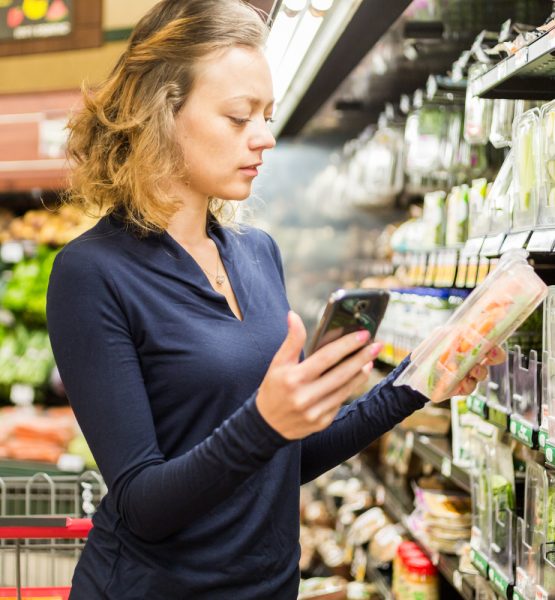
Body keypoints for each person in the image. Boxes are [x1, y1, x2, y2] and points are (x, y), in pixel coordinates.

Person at [46, 1, 503, 598]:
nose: (264, 137)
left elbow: (283, 462)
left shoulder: (257, 254)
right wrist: (265, 422)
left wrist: (417, 383)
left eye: (267, 114)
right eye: (239, 117)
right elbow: (141, 505)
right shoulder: (91, 274)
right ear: (160, 115)